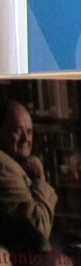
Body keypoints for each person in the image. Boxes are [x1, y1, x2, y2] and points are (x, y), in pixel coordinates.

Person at [0, 98, 58, 251]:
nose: (26, 139)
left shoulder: (16, 165)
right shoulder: (4, 166)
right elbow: (39, 229)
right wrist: (39, 178)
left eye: (29, 132)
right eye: (18, 130)